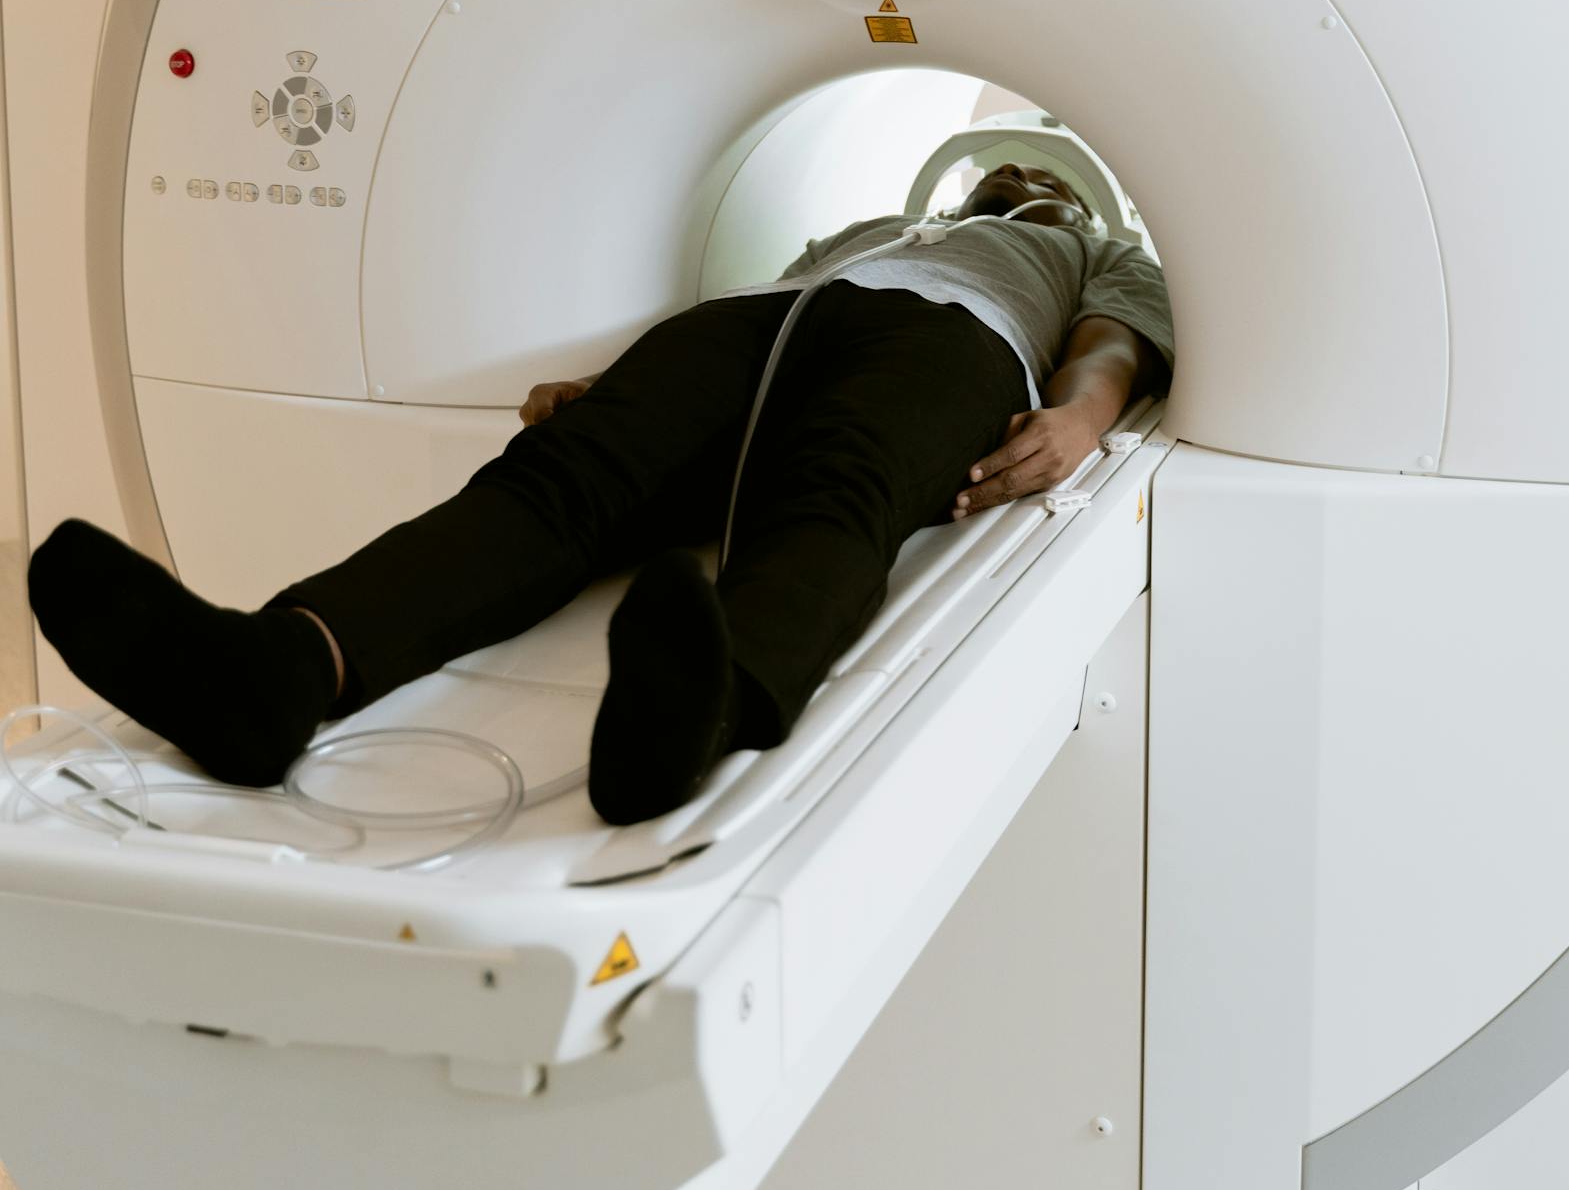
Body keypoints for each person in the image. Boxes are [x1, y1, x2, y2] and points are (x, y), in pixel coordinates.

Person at [28, 161, 1173, 827]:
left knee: (837, 497)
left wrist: (1081, 415)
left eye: (1043, 180)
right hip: (761, 324)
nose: (1021, 182)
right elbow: (765, 300)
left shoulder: (1086, 246)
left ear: (1066, 199)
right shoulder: (871, 224)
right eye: (1006, 177)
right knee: (565, 475)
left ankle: (694, 720)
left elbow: (1111, 340)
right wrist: (616, 382)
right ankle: (275, 671)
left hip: (950, 343)